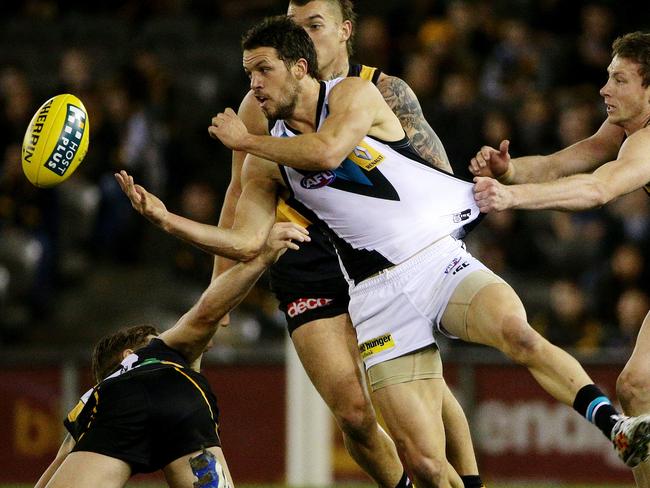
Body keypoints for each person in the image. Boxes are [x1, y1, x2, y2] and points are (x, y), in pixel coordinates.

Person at [119, 17, 650, 487]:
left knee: (517, 332)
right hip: (376, 296)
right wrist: (168, 220)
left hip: (435, 258)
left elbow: (327, 150)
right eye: (247, 73)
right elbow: (246, 242)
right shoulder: (265, 165)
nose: (253, 85)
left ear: (299, 68)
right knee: (421, 462)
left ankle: (614, 426)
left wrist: (246, 142)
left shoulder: (353, 96)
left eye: (262, 70)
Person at [213, 1, 481, 487]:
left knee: (429, 396)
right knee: (354, 414)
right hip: (306, 255)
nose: (304, 36)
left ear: (344, 32)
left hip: (378, 252)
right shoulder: (258, 103)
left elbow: (434, 173)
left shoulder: (381, 91)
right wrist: (220, 291)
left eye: (315, 25)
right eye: (295, 27)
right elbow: (240, 190)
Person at [470, 30, 650, 488]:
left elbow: (598, 188)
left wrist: (512, 197)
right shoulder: (625, 130)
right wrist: (510, 171)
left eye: (620, 80)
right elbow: (572, 160)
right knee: (635, 388)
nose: (604, 89)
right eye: (608, 76)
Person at [34, 222, 309, 488]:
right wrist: (263, 257)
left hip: (130, 402)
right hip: (188, 401)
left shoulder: (100, 395)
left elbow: (62, 458)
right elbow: (206, 314)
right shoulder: (173, 359)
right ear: (127, 355)